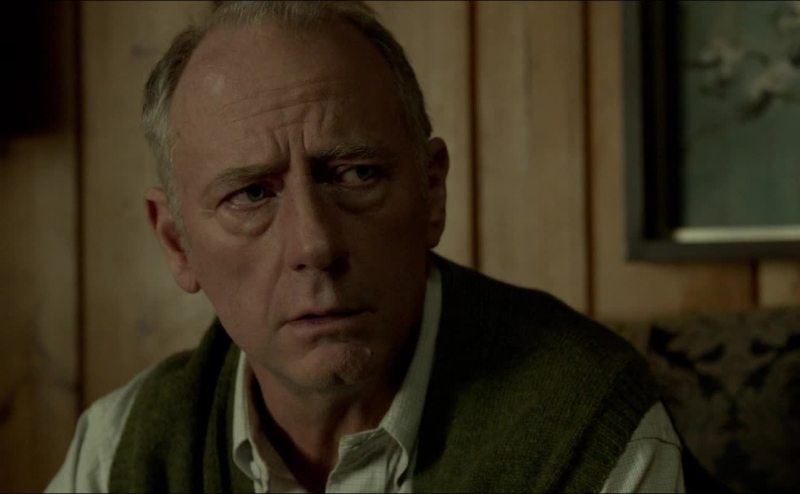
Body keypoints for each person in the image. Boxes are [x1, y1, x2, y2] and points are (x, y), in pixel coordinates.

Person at [46, 2, 685, 492]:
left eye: (356, 174)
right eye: (252, 194)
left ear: (432, 194)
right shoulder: (121, 448)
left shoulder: (586, 425)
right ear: (176, 241)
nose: (316, 243)